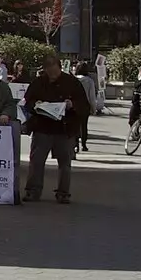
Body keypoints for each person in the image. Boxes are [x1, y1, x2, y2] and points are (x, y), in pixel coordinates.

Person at [22, 54, 91, 203]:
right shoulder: (39, 82)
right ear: (45, 70)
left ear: (60, 68)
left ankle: (63, 192)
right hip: (42, 127)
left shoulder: (72, 82)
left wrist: (72, 105)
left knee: (65, 163)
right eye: (49, 71)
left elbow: (85, 106)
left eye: (54, 71)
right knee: (37, 161)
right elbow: (27, 101)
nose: (52, 75)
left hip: (65, 129)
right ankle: (33, 191)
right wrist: (36, 105)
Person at [73, 61, 98, 152]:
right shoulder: (89, 81)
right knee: (84, 125)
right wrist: (93, 108)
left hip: (74, 104)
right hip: (85, 105)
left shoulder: (74, 79)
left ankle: (75, 145)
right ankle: (84, 144)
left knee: (75, 125)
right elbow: (92, 96)